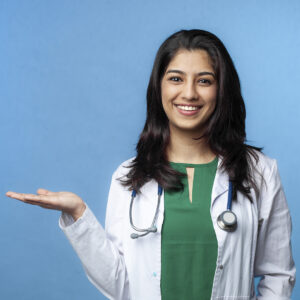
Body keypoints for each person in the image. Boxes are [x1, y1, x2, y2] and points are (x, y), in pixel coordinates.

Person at [6, 29, 296, 300]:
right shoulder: (131, 176)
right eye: (176, 78)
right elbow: (119, 284)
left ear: (222, 90)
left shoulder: (260, 172)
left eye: (204, 80)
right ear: (159, 87)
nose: (189, 93)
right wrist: (78, 213)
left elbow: (278, 274)